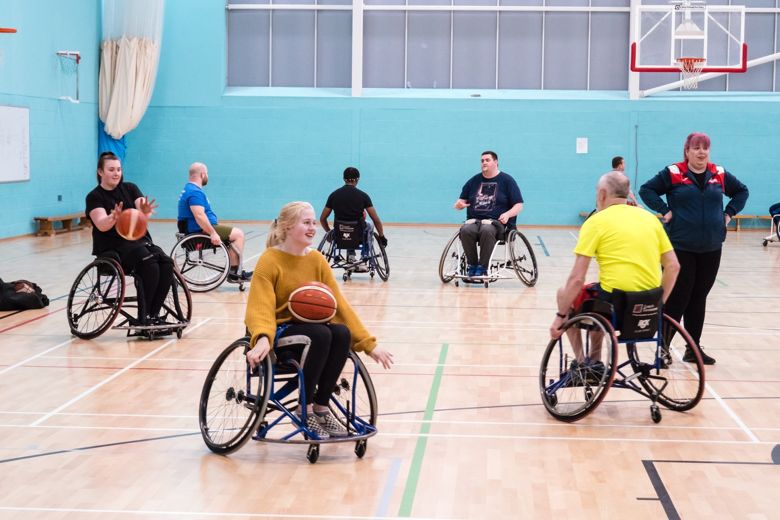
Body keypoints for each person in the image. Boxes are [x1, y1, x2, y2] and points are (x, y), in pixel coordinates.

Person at [245, 201, 393, 439]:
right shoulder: (269, 260)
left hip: (312, 332)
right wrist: (262, 338)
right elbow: (259, 307)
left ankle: (321, 407)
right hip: (282, 334)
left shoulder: (316, 260)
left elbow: (340, 306)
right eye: (306, 222)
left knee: (341, 332)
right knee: (322, 334)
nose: (313, 227)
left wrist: (368, 344)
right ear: (288, 227)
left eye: (314, 222)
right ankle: (305, 407)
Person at [550, 172, 680, 373]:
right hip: (648, 304)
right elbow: (673, 266)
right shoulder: (651, 220)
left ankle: (585, 362)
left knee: (567, 293)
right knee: (596, 293)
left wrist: (559, 316)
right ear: (627, 194)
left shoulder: (596, 222)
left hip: (615, 305)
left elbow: (576, 279)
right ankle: (594, 360)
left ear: (602, 194)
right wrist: (658, 304)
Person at [639, 132, 749, 365]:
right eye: (696, 148)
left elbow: (742, 191)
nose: (701, 152)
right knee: (678, 297)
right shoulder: (673, 172)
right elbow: (646, 190)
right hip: (680, 246)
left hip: (711, 246)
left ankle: (693, 348)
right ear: (687, 151)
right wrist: (665, 210)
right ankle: (663, 348)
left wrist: (728, 214)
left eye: (705, 148)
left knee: (699, 297)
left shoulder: (718, 173)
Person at [86, 152, 173, 327]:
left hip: (139, 241)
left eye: (118, 169)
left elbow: (141, 203)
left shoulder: (130, 188)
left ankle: (152, 314)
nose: (116, 173)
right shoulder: (94, 197)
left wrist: (144, 209)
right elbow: (101, 224)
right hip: (114, 248)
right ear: (100, 172)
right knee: (149, 265)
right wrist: (113, 218)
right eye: (111, 169)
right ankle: (144, 317)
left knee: (166, 263)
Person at [177, 162, 252, 282]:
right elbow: (199, 215)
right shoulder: (195, 192)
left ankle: (234, 270)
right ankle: (233, 272)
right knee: (238, 234)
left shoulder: (188, 189)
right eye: (207, 174)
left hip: (196, 228)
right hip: (199, 230)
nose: (207, 176)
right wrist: (212, 232)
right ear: (202, 175)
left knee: (232, 234)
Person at [454, 151, 524, 278]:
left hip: (496, 223)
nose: (484, 163)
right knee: (465, 230)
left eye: (487, 160)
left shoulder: (507, 180)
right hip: (474, 221)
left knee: (487, 229)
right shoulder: (473, 181)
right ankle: (473, 265)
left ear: (496, 162)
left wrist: (508, 214)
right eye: (482, 161)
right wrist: (459, 205)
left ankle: (483, 267)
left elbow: (519, 205)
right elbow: (461, 201)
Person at [319, 167, 387, 263]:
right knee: (369, 225)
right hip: (358, 235)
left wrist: (329, 233)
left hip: (340, 234)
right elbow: (376, 219)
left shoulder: (333, 195)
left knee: (348, 227)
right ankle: (364, 255)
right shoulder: (363, 196)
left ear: (344, 179)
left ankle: (351, 254)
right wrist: (381, 236)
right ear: (358, 179)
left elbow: (322, 218)